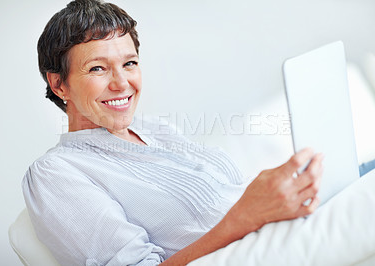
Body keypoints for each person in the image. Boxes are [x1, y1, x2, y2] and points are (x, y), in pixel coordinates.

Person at [22, 0, 373, 265]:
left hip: (286, 221)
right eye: (98, 68)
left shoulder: (156, 129)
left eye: (129, 63)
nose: (121, 83)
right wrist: (247, 216)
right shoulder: (56, 172)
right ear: (59, 85)